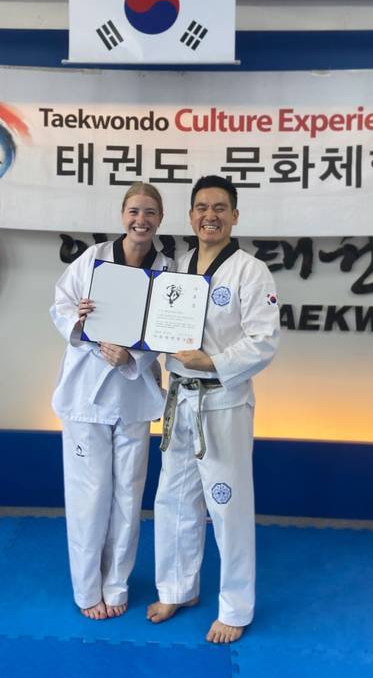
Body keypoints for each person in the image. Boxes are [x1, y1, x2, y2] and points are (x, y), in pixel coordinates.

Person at [147, 175, 280, 644]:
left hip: (222, 400)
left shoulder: (250, 271)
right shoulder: (177, 267)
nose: (210, 215)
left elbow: (265, 341)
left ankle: (235, 607)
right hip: (179, 396)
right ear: (190, 216)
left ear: (235, 216)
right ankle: (177, 588)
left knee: (226, 504)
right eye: (202, 207)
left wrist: (215, 362)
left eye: (220, 207)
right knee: (174, 496)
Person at [51, 182, 172, 621]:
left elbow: (167, 333)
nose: (142, 220)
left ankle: (117, 581)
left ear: (160, 219)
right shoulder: (93, 258)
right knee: (89, 494)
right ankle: (87, 589)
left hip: (134, 395)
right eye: (135, 211)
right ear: (123, 214)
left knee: (127, 494)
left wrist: (134, 354)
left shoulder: (166, 269)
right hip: (86, 395)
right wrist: (82, 324)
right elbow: (60, 308)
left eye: (151, 212)